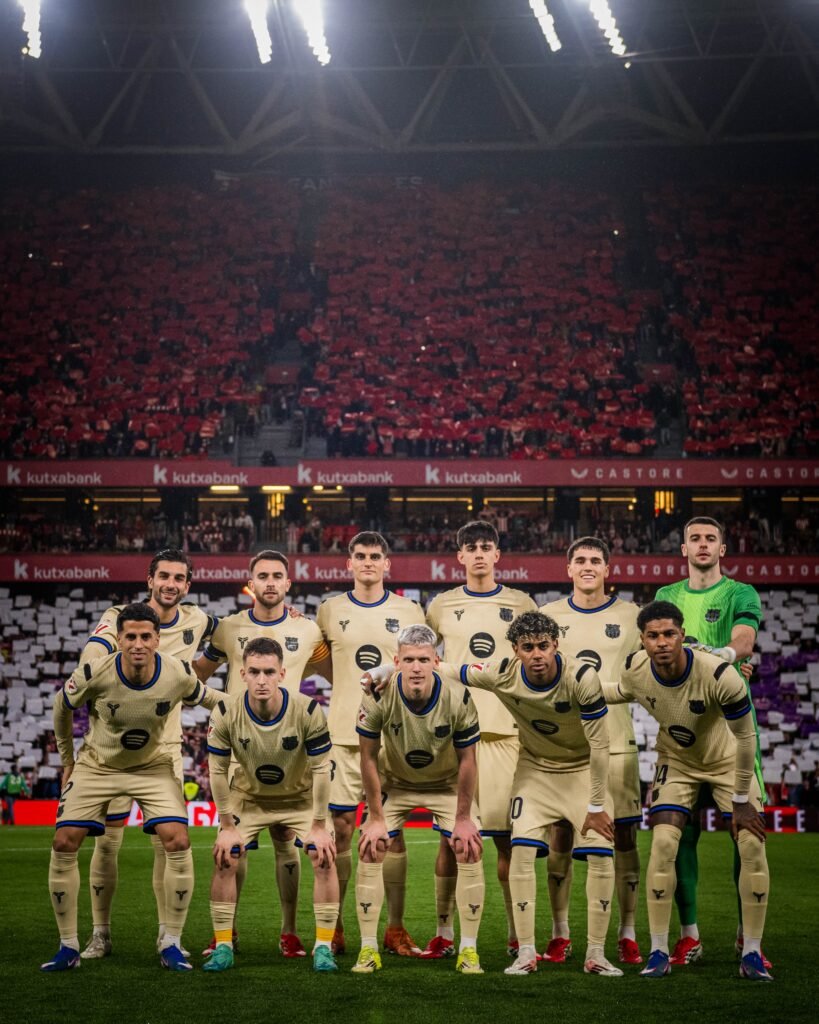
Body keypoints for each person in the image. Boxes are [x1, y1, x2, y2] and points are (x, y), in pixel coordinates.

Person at [423, 610, 622, 978]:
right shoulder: (502, 672)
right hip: (536, 770)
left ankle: (596, 953)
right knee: (522, 852)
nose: (537, 654)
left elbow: (600, 746)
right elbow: (453, 670)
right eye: (528, 647)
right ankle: (526, 952)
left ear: (556, 645)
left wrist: (596, 805)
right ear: (515, 650)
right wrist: (391, 671)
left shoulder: (581, 677)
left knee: (600, 854)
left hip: (582, 770)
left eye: (544, 645)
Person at [43, 603, 220, 972]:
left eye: (145, 637)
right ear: (119, 639)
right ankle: (68, 946)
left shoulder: (177, 671)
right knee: (64, 842)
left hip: (152, 767)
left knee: (177, 841)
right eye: (131, 637)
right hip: (98, 765)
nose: (138, 644)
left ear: (157, 639)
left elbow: (212, 699)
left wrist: (255, 706)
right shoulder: (95, 671)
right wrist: (67, 760)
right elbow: (61, 707)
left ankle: (171, 942)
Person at [603, 601, 772, 982]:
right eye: (653, 636)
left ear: (682, 635)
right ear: (642, 640)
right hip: (677, 761)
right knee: (663, 843)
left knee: (751, 845)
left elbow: (746, 737)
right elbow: (618, 691)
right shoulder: (636, 668)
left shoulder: (718, 674)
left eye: (669, 634)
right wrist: (568, 687)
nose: (662, 642)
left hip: (728, 760)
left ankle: (752, 952)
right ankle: (659, 950)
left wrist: (742, 801)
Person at [78, 549, 217, 961]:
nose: (170, 584)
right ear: (150, 579)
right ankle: (100, 934)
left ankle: (167, 937)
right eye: (164, 576)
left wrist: (198, 672)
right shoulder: (120, 617)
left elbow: (231, 635)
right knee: (107, 844)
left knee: (167, 844)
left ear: (187, 585)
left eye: (178, 578)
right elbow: (93, 652)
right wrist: (91, 675)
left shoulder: (198, 620)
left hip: (164, 750)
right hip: (111, 749)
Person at [194, 550, 332, 958]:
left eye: (277, 576)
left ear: (288, 583)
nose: (270, 582)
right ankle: (227, 933)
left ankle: (289, 932)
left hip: (288, 749)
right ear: (250, 582)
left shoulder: (308, 630)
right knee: (232, 846)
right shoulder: (228, 628)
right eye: (262, 576)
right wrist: (219, 704)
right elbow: (197, 676)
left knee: (286, 840)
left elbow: (333, 673)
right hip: (240, 748)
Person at [655, 516, 765, 967]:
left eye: (711, 539)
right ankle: (689, 935)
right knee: (679, 833)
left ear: (722, 548)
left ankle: (746, 934)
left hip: (731, 728)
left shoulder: (740, 592)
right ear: (683, 549)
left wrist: (728, 655)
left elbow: (745, 636)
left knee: (747, 831)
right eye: (695, 539)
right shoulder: (667, 596)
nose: (703, 544)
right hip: (682, 730)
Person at [424, 520, 537, 959]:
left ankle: (514, 934)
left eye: (485, 547)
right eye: (470, 547)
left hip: (507, 733)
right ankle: (444, 932)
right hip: (454, 735)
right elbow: (422, 656)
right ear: (460, 556)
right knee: (449, 840)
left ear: (497, 554)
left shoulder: (521, 602)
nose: (478, 554)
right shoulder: (441, 605)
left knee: (508, 839)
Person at [316, 532, 426, 957]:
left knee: (392, 833)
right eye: (360, 555)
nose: (367, 562)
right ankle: (335, 927)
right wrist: (350, 686)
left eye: (375, 556)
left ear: (386, 563)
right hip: (344, 737)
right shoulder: (329, 610)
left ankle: (395, 928)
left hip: (395, 737)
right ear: (349, 563)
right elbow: (323, 662)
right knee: (342, 829)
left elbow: (419, 665)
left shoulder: (409, 610)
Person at [354, 624, 484, 975]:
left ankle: (467, 949)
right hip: (396, 784)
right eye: (409, 659)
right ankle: (368, 949)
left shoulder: (457, 696)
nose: (416, 667)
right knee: (371, 845)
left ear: (435, 662)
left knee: (469, 846)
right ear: (396, 662)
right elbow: (368, 758)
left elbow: (468, 760)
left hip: (445, 785)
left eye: (423, 660)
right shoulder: (378, 695)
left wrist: (463, 818)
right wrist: (375, 818)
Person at [204, 637, 338, 973]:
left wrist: (319, 826)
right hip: (248, 798)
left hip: (300, 798)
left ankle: (323, 947)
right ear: (242, 674)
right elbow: (217, 771)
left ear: (282, 673)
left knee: (323, 854)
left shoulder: (308, 710)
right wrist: (227, 826)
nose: (261, 680)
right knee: (225, 855)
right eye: (254, 672)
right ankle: (223, 945)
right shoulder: (225, 712)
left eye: (268, 672)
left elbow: (322, 769)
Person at [540, 537, 643, 965]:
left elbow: (653, 669)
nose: (587, 566)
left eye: (595, 560)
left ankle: (627, 932)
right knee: (560, 836)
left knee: (624, 837)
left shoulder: (632, 616)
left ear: (607, 569)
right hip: (565, 749)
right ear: (568, 569)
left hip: (617, 745)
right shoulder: (548, 617)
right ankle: (559, 932)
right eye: (579, 560)